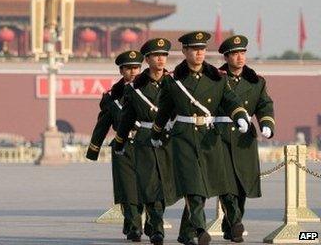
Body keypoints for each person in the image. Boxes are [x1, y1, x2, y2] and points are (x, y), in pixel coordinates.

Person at [150, 31, 250, 245]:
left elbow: (230, 100)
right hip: (183, 138)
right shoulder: (173, 81)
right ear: (184, 51)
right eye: (194, 49)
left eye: (202, 49)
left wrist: (240, 115)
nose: (199, 53)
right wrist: (156, 133)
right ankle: (199, 227)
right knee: (194, 187)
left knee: (220, 183)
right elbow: (164, 111)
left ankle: (194, 232)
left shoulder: (217, 78)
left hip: (209, 137)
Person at [113, 38, 178, 245]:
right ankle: (153, 228)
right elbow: (126, 118)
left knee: (163, 185)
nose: (161, 59)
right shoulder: (136, 88)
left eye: (164, 55)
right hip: (143, 141)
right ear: (148, 59)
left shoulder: (176, 84)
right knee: (145, 186)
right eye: (156, 56)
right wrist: (120, 142)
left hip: (167, 141)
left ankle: (152, 223)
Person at [215, 35, 275, 243]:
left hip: (244, 138)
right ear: (227, 56)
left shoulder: (256, 81)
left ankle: (230, 225)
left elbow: (264, 104)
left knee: (241, 185)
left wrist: (266, 123)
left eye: (243, 53)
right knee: (225, 182)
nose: (240, 58)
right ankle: (235, 222)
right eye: (235, 54)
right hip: (220, 134)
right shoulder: (216, 78)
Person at [86, 50, 145, 242]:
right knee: (127, 189)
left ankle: (136, 222)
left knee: (146, 188)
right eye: (129, 68)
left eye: (136, 67)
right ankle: (135, 226)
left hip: (146, 144)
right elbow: (103, 124)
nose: (133, 71)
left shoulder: (151, 89)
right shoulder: (112, 97)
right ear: (121, 71)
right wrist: (93, 149)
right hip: (123, 145)